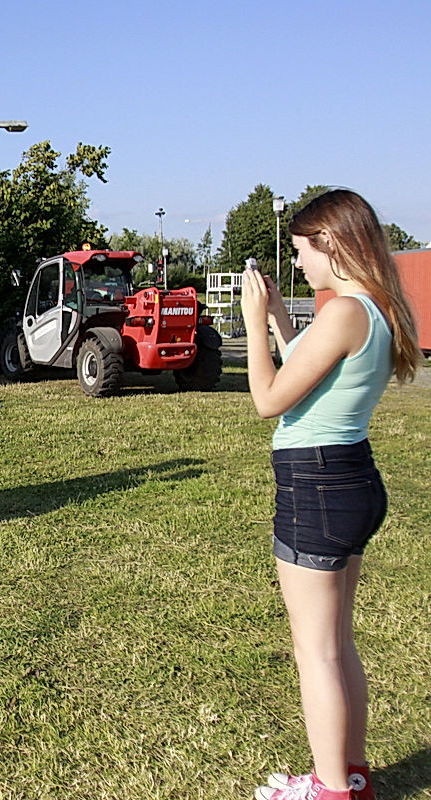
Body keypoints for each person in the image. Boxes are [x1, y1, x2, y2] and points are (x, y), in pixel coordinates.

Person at [243, 189, 420, 800]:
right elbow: (310, 376)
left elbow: (269, 399)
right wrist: (278, 321)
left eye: (300, 250)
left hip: (316, 488)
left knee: (314, 653)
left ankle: (329, 791)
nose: (297, 264)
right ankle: (351, 776)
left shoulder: (344, 312)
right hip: (348, 481)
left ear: (332, 243)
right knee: (337, 643)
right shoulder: (369, 308)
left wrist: (248, 324)